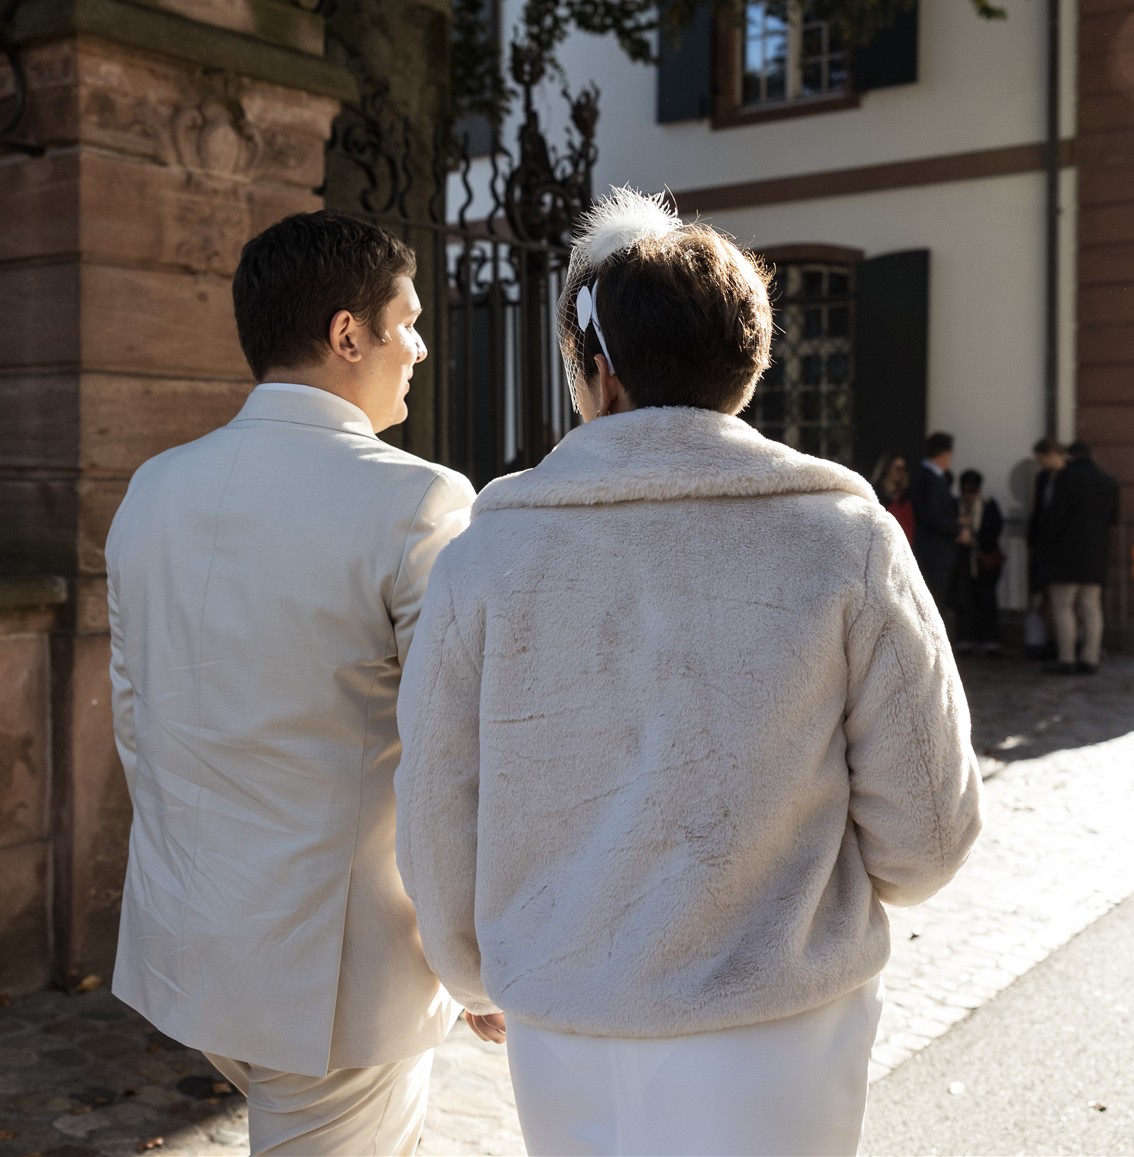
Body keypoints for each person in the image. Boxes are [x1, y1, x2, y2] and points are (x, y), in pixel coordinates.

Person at [395, 188, 981, 1157]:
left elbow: (434, 799)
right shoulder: (842, 536)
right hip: (782, 1020)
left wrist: (467, 969)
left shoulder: (487, 555)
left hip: (569, 1017)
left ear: (597, 373)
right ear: (745, 369)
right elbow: (927, 829)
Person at [105, 212, 488, 1156]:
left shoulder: (152, 487)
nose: (421, 346)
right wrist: (477, 964)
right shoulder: (419, 500)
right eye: (408, 321)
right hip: (336, 973)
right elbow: (456, 759)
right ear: (348, 333)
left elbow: (133, 715)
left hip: (190, 938)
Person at [1037, 439, 1120, 675]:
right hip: (1095, 554)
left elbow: (1055, 518)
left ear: (1070, 456)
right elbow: (1112, 519)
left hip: (1065, 554)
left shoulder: (1064, 478)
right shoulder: (1109, 481)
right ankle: (1091, 658)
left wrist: (1046, 544)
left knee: (1064, 606)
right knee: (1091, 608)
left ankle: (1067, 658)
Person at [949, 469, 1006, 656]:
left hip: (984, 562)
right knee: (964, 601)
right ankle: (966, 641)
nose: (968, 495)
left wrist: (974, 537)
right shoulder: (955, 505)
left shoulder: (989, 506)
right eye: (965, 490)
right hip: (963, 564)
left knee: (987, 601)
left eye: (972, 491)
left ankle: (990, 641)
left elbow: (994, 530)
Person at [909, 431, 964, 607]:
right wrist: (957, 530)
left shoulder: (932, 478)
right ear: (945, 453)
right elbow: (930, 516)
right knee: (933, 602)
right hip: (934, 554)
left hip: (936, 553)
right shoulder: (929, 479)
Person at [1023, 438, 1064, 660]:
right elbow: (1038, 510)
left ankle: (1058, 644)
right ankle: (1045, 642)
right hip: (1042, 545)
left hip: (1058, 547)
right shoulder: (1043, 478)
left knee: (1060, 601)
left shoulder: (1066, 478)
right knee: (1044, 597)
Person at [871, 451, 915, 540]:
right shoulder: (874, 496)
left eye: (904, 469)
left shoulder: (905, 498)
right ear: (886, 468)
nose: (901, 473)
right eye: (898, 468)